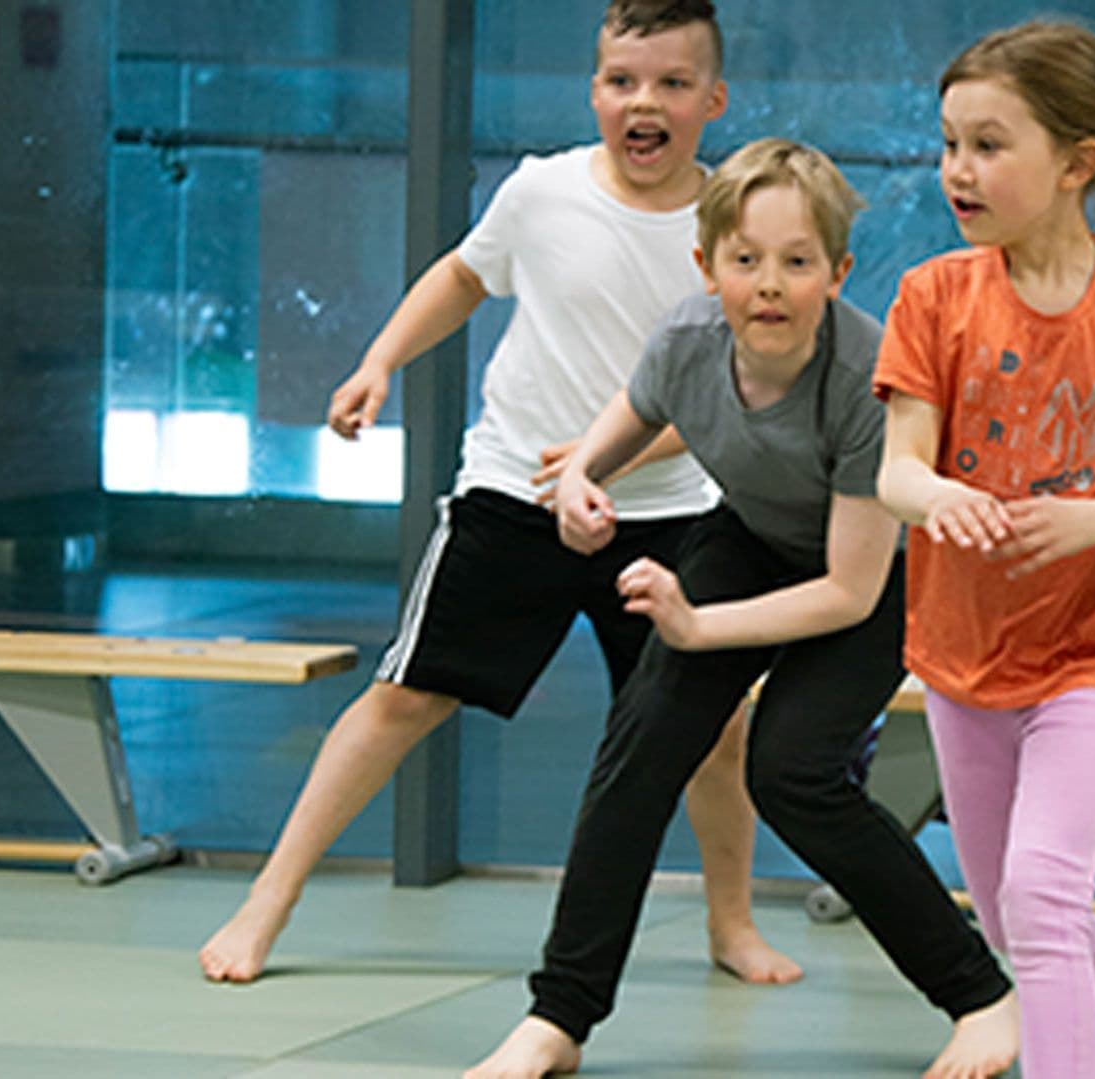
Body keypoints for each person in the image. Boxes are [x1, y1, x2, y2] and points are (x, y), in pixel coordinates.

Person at [199, 0, 801, 989]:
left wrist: (609, 460)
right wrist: (379, 361)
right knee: (404, 697)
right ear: (594, 91)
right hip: (515, 494)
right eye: (622, 82)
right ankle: (267, 901)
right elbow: (463, 276)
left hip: (672, 510)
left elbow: (738, 382)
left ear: (714, 99)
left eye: (672, 84)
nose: (644, 102)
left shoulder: (734, 223)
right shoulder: (542, 191)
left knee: (715, 731)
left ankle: (730, 923)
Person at [466, 138, 1018, 1079]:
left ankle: (982, 997)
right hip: (753, 537)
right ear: (707, 265)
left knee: (793, 771)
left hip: (878, 578)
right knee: (641, 746)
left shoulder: (866, 381)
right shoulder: (687, 338)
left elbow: (847, 590)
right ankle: (559, 1017)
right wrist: (585, 478)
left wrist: (695, 626)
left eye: (797, 262)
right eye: (746, 259)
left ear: (837, 272)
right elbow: (636, 408)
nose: (769, 284)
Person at [874, 21, 1095, 1078]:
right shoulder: (933, 296)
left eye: (989, 146)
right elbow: (897, 472)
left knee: (1037, 893)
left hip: (1092, 663)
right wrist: (942, 497)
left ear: (1079, 163)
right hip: (962, 659)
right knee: (1016, 913)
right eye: (950, 144)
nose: (958, 170)